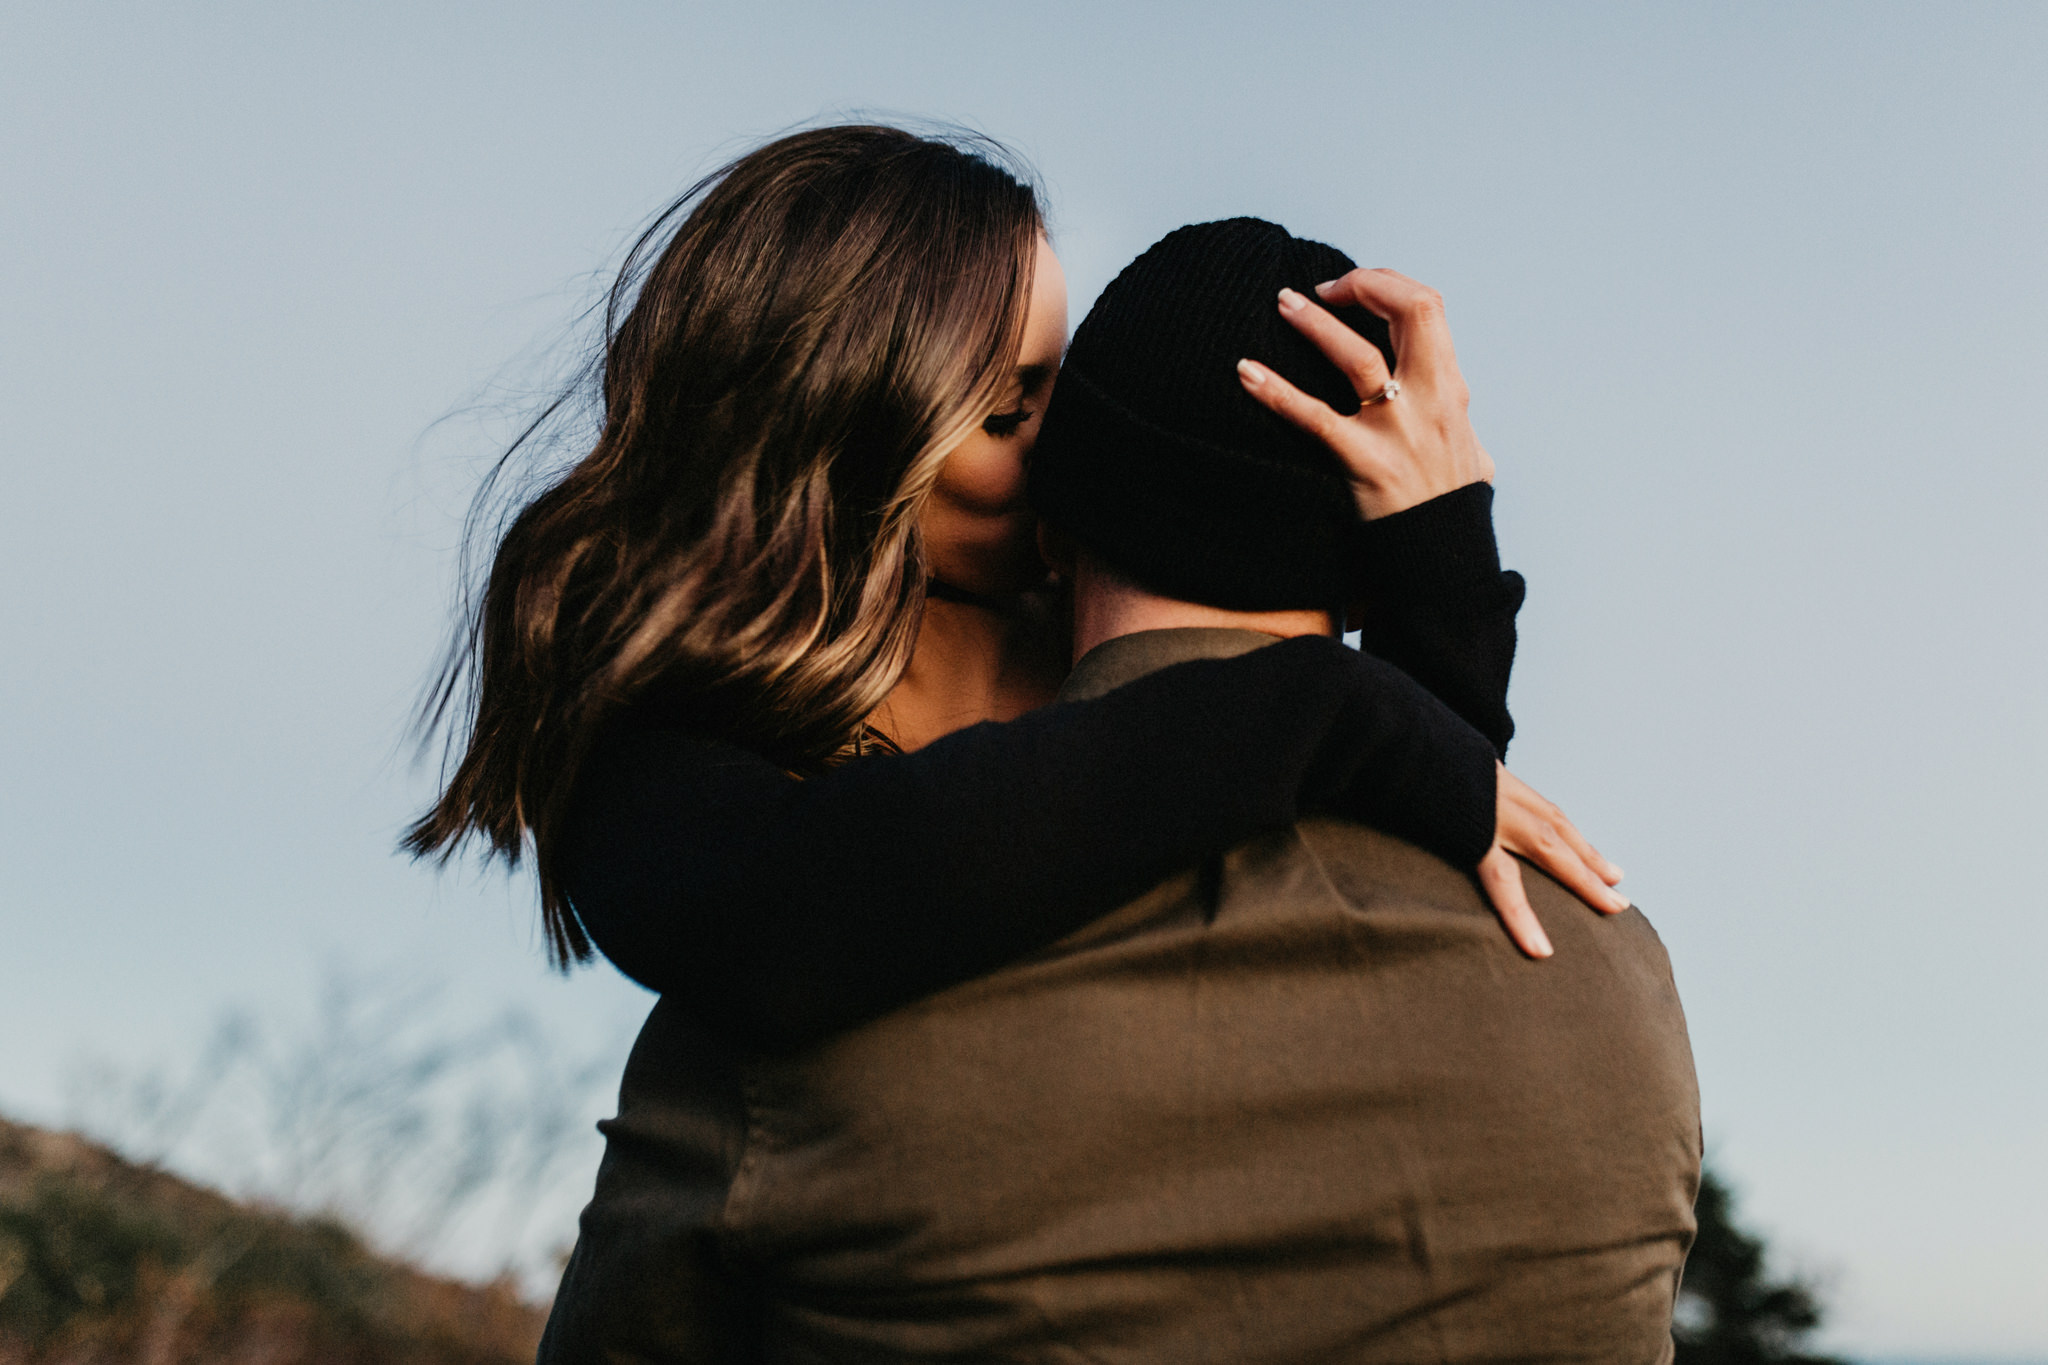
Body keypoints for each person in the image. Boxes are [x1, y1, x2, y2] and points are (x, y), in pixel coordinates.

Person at [540, 219, 1700, 1362]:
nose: (1043, 437)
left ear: (1060, 529)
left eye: (1059, 398)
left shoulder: (798, 1034)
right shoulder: (1618, 980)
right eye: (1009, 408)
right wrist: (1396, 608)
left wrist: (1397, 672)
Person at [405, 124, 1624, 1058]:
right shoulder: (662, 748)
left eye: (1064, 382)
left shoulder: (1079, 625)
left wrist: (1435, 543)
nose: (1067, 444)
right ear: (825, 448)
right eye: (1007, 412)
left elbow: (1401, 857)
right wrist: (1321, 699)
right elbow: (780, 919)